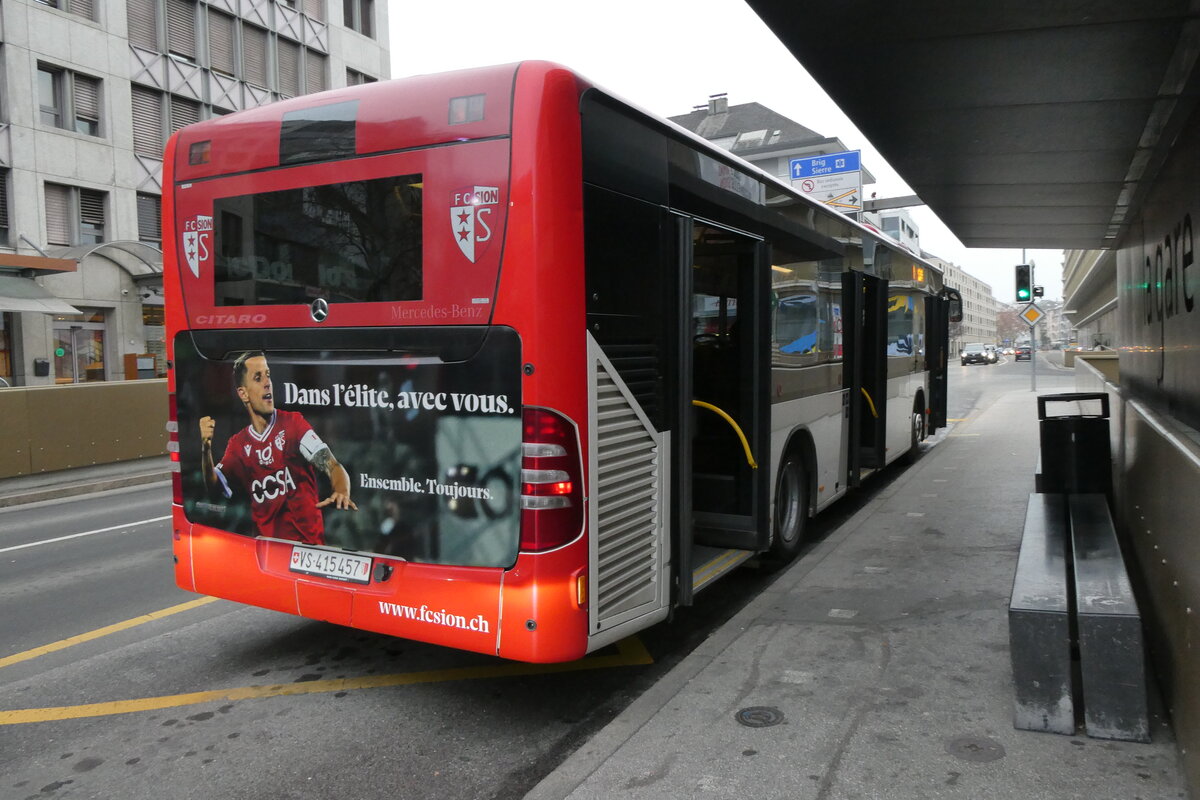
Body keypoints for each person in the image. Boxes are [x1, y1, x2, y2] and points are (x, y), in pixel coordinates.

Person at [199, 351, 355, 544]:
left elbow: (332, 465)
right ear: (243, 393)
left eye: (268, 375)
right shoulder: (238, 444)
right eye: (258, 378)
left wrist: (341, 490)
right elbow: (213, 486)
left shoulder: (293, 423)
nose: (267, 383)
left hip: (308, 548)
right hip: (268, 549)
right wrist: (206, 449)